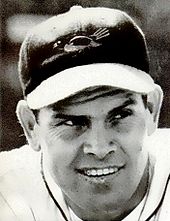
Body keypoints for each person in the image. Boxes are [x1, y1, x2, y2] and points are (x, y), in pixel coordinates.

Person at [0, 6, 170, 221]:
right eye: (71, 123)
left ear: (151, 110)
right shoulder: (7, 193)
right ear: (31, 126)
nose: (99, 148)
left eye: (120, 116)